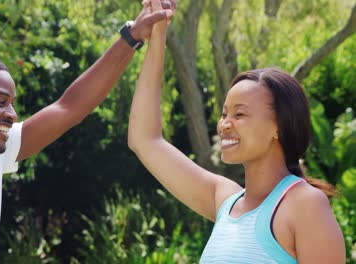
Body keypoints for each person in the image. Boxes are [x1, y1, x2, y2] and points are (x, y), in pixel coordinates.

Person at [0, 1, 176, 263]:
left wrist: (132, 36)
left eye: (12, 104)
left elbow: (69, 108)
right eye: (0, 102)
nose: (12, 114)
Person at [128, 3, 346, 263]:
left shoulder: (305, 205)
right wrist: (158, 36)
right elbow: (145, 140)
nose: (224, 125)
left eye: (239, 114)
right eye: (224, 114)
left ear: (278, 126)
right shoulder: (224, 202)